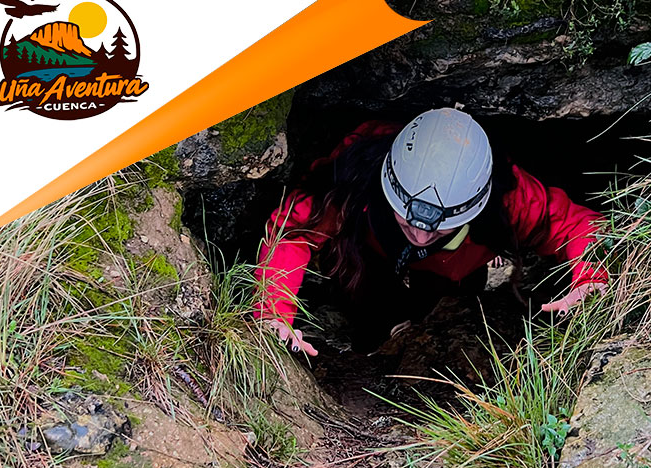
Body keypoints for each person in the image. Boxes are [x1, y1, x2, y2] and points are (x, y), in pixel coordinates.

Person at [253, 108, 608, 356]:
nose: (421, 236)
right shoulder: (355, 173)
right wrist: (273, 312)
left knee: (448, 301)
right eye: (409, 221)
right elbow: (294, 232)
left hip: (454, 269)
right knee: (369, 309)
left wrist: (590, 278)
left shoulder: (509, 196)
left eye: (439, 227)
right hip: (370, 255)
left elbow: (573, 223)